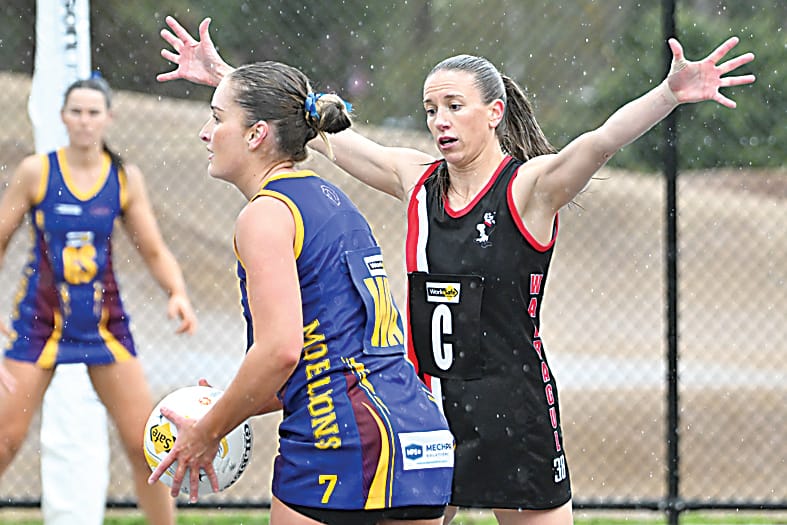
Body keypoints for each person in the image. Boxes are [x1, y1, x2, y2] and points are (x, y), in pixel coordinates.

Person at [157, 16, 756, 525]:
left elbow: (598, 143)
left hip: (510, 408)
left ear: (493, 113)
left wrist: (668, 94)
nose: (439, 120)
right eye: (430, 109)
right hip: (428, 409)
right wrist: (227, 77)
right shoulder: (417, 182)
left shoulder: (528, 189)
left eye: (454, 106)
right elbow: (304, 129)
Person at [147, 60, 454, 525]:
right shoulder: (331, 200)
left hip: (342, 437)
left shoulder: (266, 215)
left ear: (256, 135)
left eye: (217, 117)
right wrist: (233, 402)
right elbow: (330, 353)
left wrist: (207, 432)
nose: (205, 132)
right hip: (416, 430)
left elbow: (280, 352)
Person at [0, 76, 198, 525]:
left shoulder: (124, 177)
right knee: (5, 441)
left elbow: (154, 250)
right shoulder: (37, 171)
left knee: (146, 444)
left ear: (109, 118)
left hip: (104, 325)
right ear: (63, 117)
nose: (85, 121)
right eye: (76, 112)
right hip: (39, 324)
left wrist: (178, 293)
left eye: (93, 112)